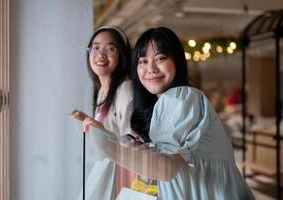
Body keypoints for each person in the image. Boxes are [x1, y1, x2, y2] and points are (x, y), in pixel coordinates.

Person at [85, 27, 255, 199]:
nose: (150, 68)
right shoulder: (159, 104)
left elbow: (166, 170)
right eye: (142, 61)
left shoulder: (182, 98)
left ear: (177, 61)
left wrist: (108, 147)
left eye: (160, 58)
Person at [72, 26, 137, 200]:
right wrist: (88, 122)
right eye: (95, 47)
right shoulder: (104, 91)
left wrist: (99, 129)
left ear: (122, 55)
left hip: (122, 176)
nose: (100, 54)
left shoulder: (126, 89)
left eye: (110, 48)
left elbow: (133, 143)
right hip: (106, 170)